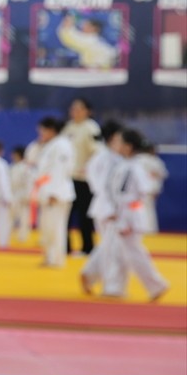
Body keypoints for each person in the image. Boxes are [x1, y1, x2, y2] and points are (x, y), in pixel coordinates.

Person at [97, 129, 169, 302]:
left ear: (128, 147)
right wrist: (113, 212)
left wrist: (127, 213)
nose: (117, 145)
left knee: (134, 253)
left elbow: (145, 191)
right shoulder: (125, 165)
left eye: (120, 142)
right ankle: (115, 288)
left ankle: (157, 284)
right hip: (122, 214)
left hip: (129, 216)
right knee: (119, 252)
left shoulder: (136, 167)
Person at [79, 120, 124, 296]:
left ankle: (90, 273)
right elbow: (102, 186)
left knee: (110, 245)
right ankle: (109, 286)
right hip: (107, 208)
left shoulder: (110, 157)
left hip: (107, 207)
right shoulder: (106, 158)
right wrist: (112, 208)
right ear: (113, 138)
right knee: (111, 248)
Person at [33, 116, 75, 269]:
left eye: (42, 130)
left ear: (51, 130)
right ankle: (50, 256)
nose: (40, 133)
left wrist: (54, 193)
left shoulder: (62, 145)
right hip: (48, 191)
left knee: (56, 227)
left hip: (57, 193)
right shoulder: (51, 145)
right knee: (48, 227)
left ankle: (57, 259)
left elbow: (59, 170)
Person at [62, 98, 100, 256]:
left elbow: (98, 151)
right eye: (73, 108)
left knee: (85, 215)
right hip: (68, 177)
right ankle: (65, 247)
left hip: (84, 179)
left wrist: (90, 168)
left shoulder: (91, 128)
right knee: (66, 215)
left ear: (88, 111)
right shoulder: (68, 127)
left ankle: (88, 247)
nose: (75, 111)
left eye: (79, 108)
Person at [9, 145, 34, 245]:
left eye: (14, 154)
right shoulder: (12, 167)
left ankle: (23, 237)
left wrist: (28, 196)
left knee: (24, 217)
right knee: (10, 217)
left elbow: (29, 183)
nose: (12, 156)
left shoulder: (26, 168)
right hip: (13, 194)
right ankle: (7, 236)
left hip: (23, 195)